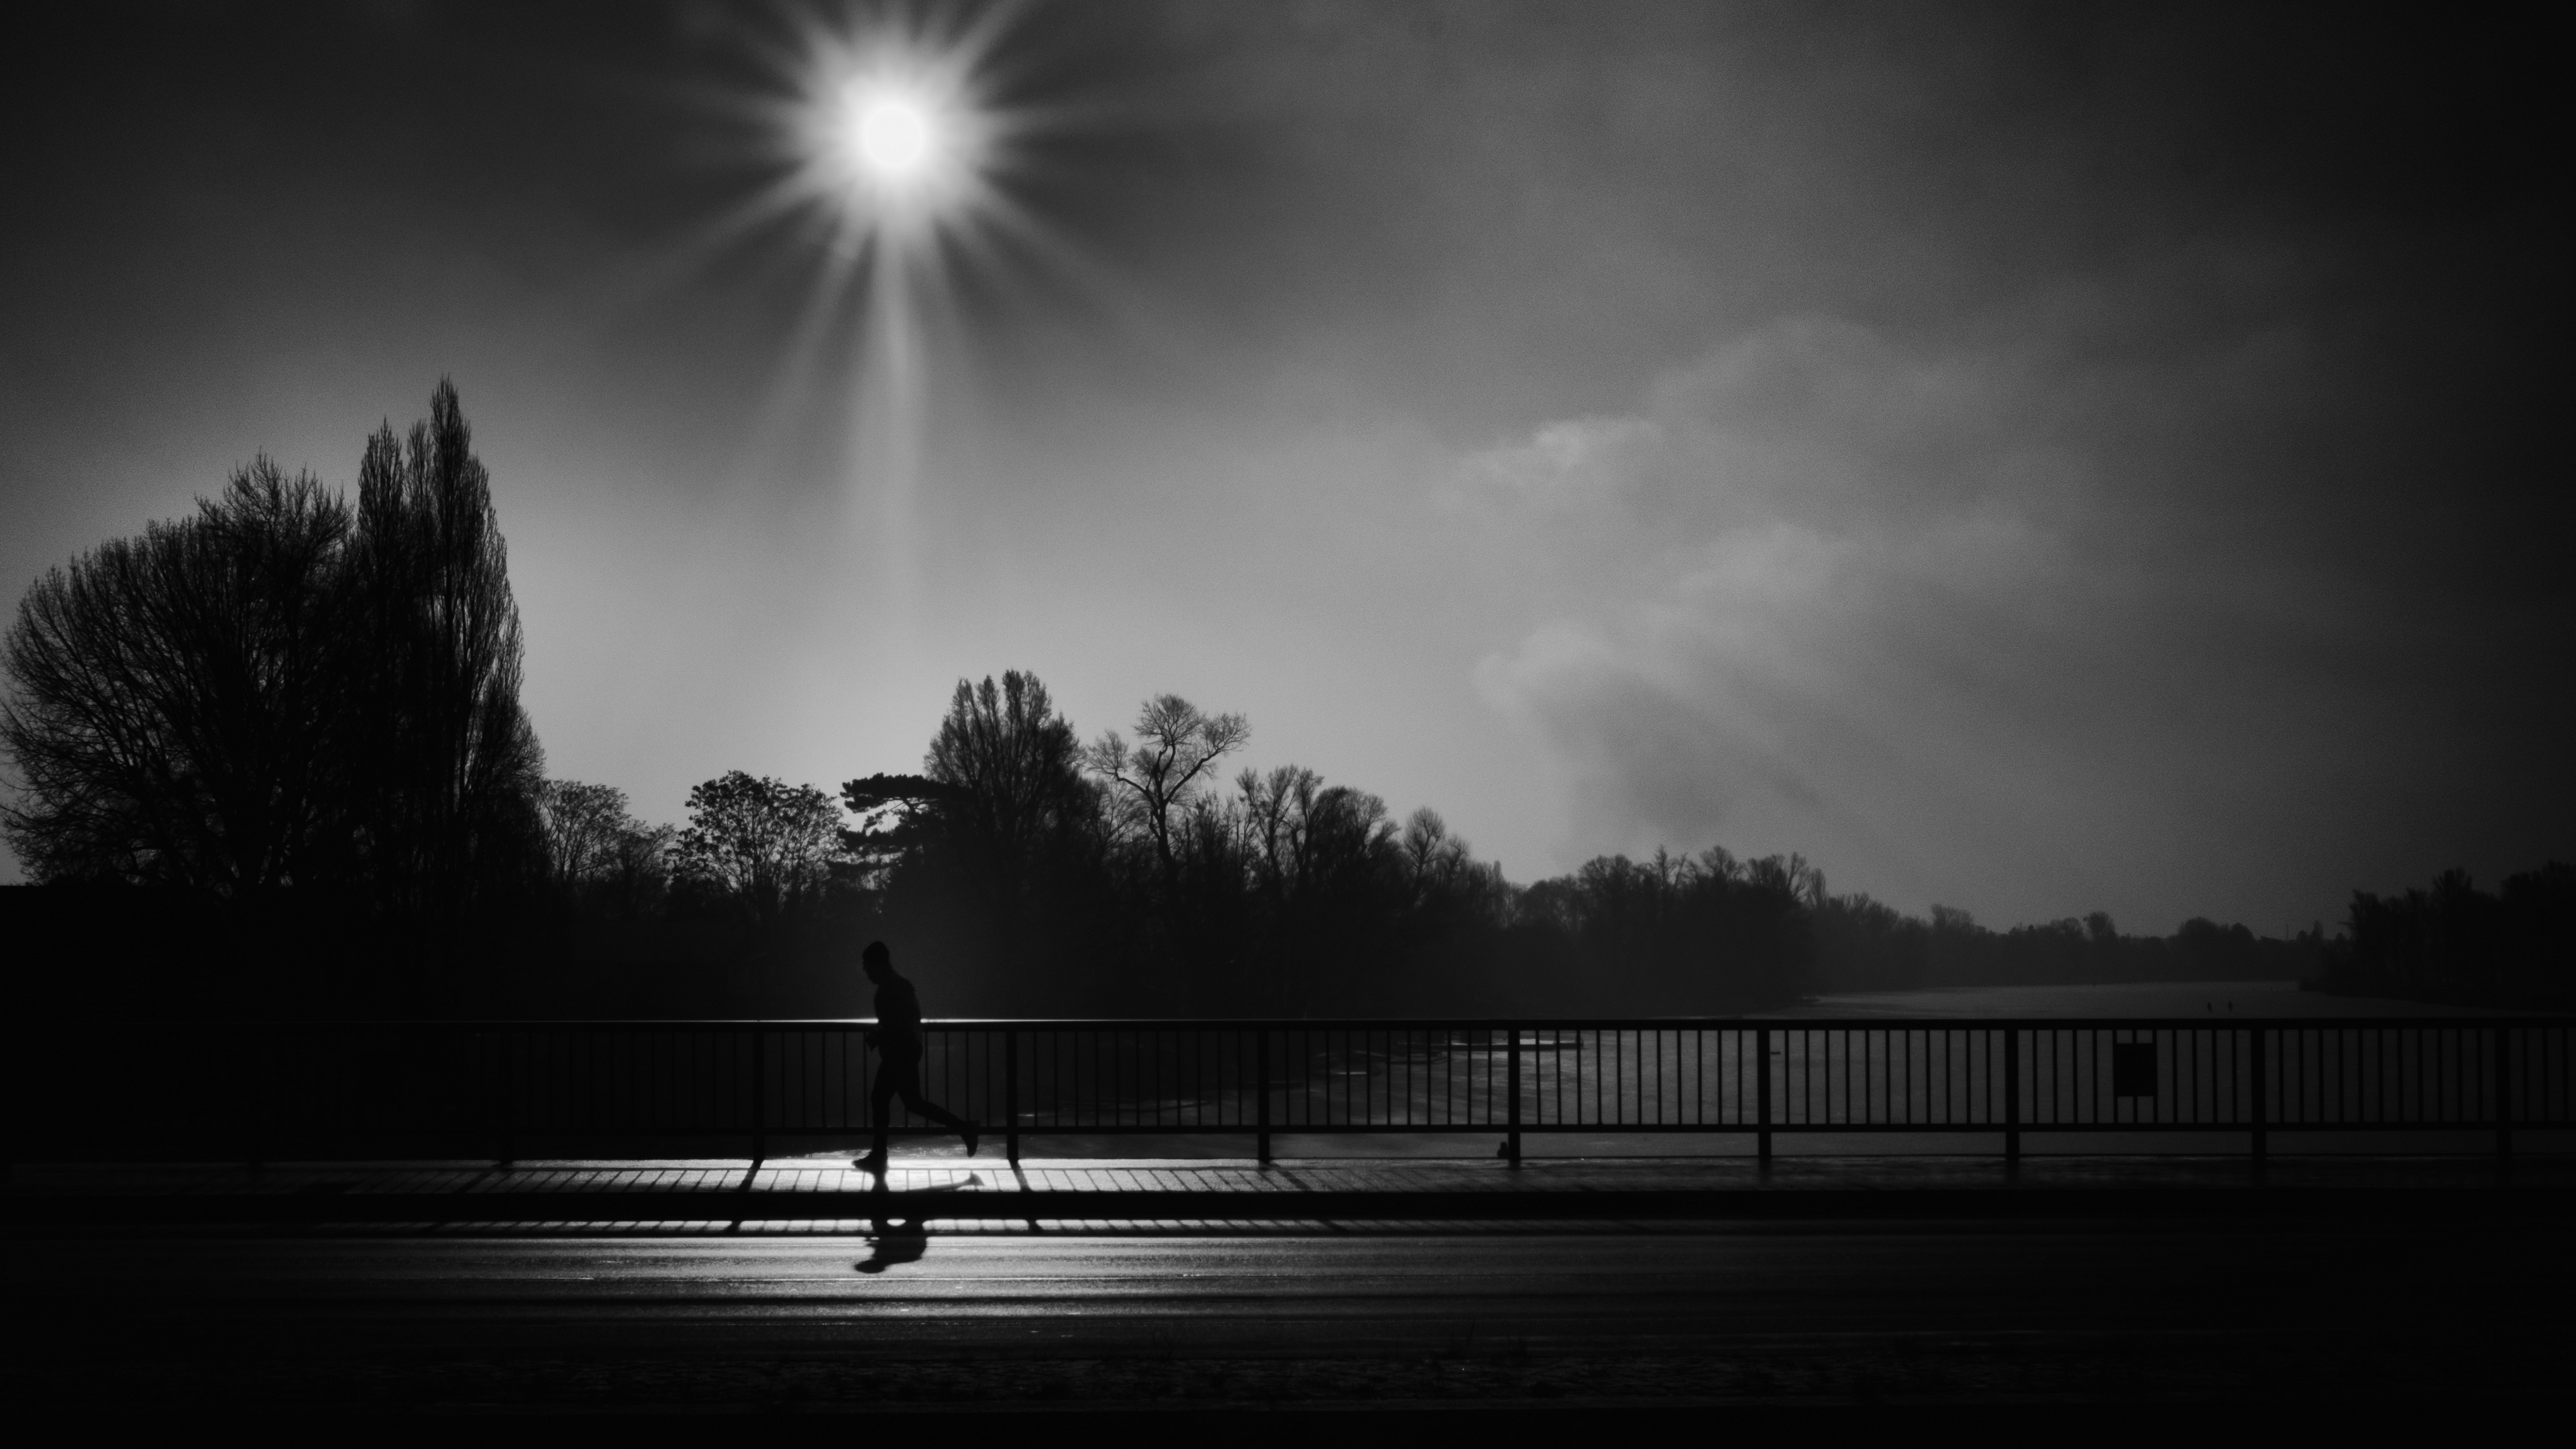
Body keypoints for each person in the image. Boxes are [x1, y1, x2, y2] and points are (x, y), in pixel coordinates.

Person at [854, 939, 978, 1175]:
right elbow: (903, 1021)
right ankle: (964, 1127)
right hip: (906, 1051)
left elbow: (896, 1024)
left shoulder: (890, 988)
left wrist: (878, 1035)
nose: (866, 971)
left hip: (898, 1053)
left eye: (868, 965)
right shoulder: (899, 985)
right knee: (913, 1103)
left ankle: (880, 1156)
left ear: (877, 964)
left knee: (881, 1098)